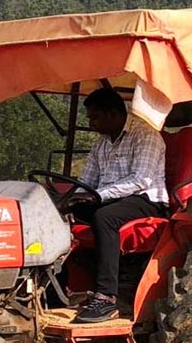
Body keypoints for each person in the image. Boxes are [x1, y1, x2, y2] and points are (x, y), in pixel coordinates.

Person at [64, 88, 168, 323]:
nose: (91, 124)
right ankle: (60, 286)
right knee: (60, 212)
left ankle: (106, 297)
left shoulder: (146, 135)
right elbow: (88, 180)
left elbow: (140, 180)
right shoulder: (102, 143)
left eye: (95, 117)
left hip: (147, 199)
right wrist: (71, 201)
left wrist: (97, 197)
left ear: (113, 114)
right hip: (110, 198)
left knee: (105, 217)